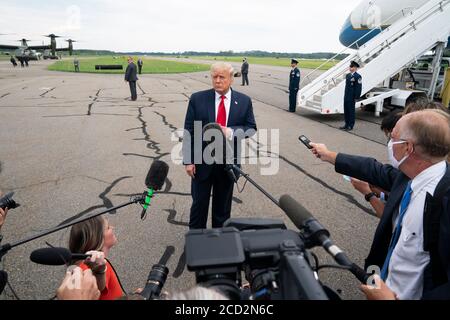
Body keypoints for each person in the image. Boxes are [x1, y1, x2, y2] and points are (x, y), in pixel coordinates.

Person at [310, 110, 450, 300]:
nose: (389, 143)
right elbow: (372, 169)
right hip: (382, 282)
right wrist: (328, 155)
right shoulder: (409, 176)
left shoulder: (443, 201)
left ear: (408, 148)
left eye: (393, 137)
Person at [183, 62, 257, 229]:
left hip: (228, 164)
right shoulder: (198, 99)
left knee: (222, 209)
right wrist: (188, 160)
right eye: (214, 77)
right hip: (202, 163)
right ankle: (196, 240)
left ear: (231, 79)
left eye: (221, 77)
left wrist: (230, 131)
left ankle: (220, 241)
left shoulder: (244, 101)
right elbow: (189, 131)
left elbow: (251, 128)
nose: (217, 80)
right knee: (199, 205)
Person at [69, 216, 125, 300]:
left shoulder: (95, 262)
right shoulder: (90, 268)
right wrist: (99, 272)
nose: (112, 227)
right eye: (108, 227)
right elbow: (99, 287)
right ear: (97, 239)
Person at [340, 61, 362, 131]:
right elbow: (347, 87)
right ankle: (346, 124)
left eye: (351, 66)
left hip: (352, 97)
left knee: (351, 111)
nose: (350, 68)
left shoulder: (358, 76)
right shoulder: (348, 75)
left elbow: (358, 88)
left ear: (355, 68)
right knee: (346, 110)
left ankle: (350, 125)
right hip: (346, 96)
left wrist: (356, 97)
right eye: (350, 66)